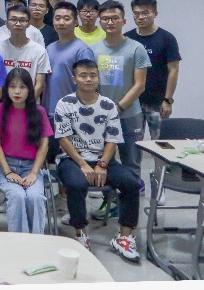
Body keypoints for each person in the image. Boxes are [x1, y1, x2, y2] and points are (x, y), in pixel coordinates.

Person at [54, 59, 141, 261]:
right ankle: (81, 235)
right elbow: (63, 139)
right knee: (76, 184)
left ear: (98, 78)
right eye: (83, 75)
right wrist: (83, 164)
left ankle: (124, 237)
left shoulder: (108, 105)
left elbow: (112, 139)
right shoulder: (64, 104)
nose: (89, 79)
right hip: (72, 159)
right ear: (74, 79)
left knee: (131, 183)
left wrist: (102, 164)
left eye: (93, 75)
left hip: (103, 159)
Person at [125, 0, 181, 203]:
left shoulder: (166, 38)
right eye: (136, 14)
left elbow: (173, 70)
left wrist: (168, 100)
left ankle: (160, 187)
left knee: (160, 147)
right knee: (133, 147)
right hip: (133, 103)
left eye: (145, 13)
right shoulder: (128, 38)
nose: (140, 17)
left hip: (158, 102)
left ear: (155, 13)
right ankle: (135, 185)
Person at [90, 1, 151, 186]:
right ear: (100, 22)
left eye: (115, 18)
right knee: (104, 161)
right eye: (105, 19)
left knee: (131, 162)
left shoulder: (136, 48)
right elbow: (90, 83)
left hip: (129, 115)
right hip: (101, 115)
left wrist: (118, 107)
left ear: (124, 21)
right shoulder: (93, 49)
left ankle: (130, 199)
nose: (110, 22)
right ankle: (109, 200)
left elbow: (140, 85)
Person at [0, 68, 53, 233]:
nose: (17, 91)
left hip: (31, 167)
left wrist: (34, 173)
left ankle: (36, 241)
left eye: (22, 87)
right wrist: (8, 172)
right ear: (6, 89)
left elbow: (44, 145)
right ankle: (20, 243)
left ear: (30, 89)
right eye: (12, 86)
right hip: (4, 167)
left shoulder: (39, 112)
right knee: (17, 196)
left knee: (35, 197)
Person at [44, 2, 94, 118]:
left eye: (66, 19)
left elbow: (88, 85)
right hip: (49, 112)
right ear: (53, 21)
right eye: (57, 18)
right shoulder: (49, 48)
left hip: (73, 113)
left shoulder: (82, 50)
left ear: (75, 22)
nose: (61, 22)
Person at [0, 5, 51, 102]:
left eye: (22, 20)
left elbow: (40, 85)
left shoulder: (39, 51)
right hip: (4, 105)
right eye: (13, 19)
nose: (18, 24)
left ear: (28, 24)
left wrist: (26, 105)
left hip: (30, 105)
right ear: (7, 23)